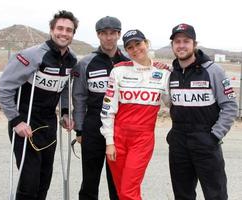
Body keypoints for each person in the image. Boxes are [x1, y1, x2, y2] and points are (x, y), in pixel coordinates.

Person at [0, 10, 78, 200]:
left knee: (44, 180)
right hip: (26, 122)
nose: (63, 33)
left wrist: (65, 112)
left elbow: (66, 86)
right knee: (29, 181)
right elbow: (3, 88)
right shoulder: (32, 55)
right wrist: (16, 121)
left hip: (48, 124)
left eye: (69, 30)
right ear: (51, 30)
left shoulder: (71, 59)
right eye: (60, 28)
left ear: (73, 34)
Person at [167, 23, 238, 200]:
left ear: (194, 44)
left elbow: (230, 105)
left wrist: (214, 136)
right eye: (177, 41)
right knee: (182, 195)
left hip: (206, 141)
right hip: (179, 143)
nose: (181, 45)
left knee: (216, 195)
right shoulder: (170, 73)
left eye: (186, 41)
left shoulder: (213, 70)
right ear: (172, 46)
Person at [100, 29, 171, 200]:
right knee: (122, 191)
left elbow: (173, 104)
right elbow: (108, 109)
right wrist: (109, 142)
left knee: (128, 192)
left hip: (142, 139)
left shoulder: (164, 73)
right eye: (130, 47)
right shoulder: (118, 71)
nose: (135, 49)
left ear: (146, 43)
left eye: (138, 44)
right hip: (117, 138)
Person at [72, 16, 129, 200]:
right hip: (93, 126)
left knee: (117, 181)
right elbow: (79, 97)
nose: (109, 37)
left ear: (119, 34)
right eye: (104, 33)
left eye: (113, 33)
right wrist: (79, 129)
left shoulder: (129, 62)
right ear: (98, 35)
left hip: (120, 128)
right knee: (90, 181)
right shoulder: (86, 62)